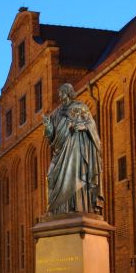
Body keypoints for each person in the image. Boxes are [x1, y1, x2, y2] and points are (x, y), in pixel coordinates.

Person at [43, 83, 104, 215]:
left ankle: (76, 207)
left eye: (62, 92)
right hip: (60, 151)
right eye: (59, 93)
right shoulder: (56, 113)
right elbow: (51, 136)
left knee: (75, 175)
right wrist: (48, 127)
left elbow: (91, 124)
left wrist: (82, 127)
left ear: (68, 92)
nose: (60, 95)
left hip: (76, 148)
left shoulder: (80, 107)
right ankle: (59, 210)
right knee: (50, 176)